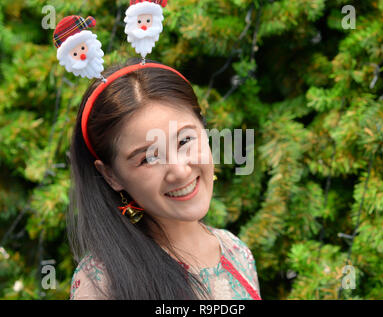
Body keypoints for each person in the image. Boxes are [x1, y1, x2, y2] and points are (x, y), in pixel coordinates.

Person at [67, 57, 261, 300]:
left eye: (185, 141)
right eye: (148, 158)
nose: (180, 170)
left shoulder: (236, 251)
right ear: (111, 175)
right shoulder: (102, 284)